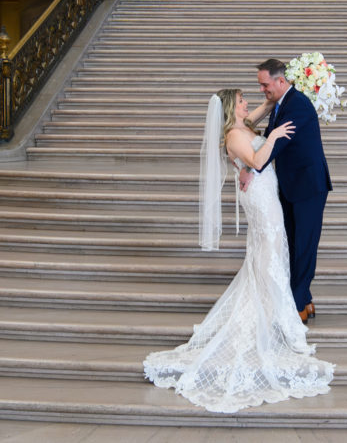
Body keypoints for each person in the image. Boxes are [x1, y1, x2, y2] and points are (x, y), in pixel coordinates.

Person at [143, 89, 334, 413]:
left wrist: (291, 87)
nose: (249, 105)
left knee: (269, 254)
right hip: (260, 199)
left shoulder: (241, 125)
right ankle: (277, 317)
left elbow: (266, 108)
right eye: (243, 101)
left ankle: (275, 311)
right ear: (233, 108)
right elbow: (257, 160)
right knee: (270, 252)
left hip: (266, 193)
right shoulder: (234, 135)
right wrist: (272, 137)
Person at [252, 58, 332, 324]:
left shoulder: (297, 104)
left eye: (265, 85)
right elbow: (266, 137)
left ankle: (297, 304)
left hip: (308, 186)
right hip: (292, 185)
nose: (263, 90)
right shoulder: (282, 103)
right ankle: (305, 298)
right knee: (295, 243)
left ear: (281, 81)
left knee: (304, 246)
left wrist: (251, 166)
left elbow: (275, 145)